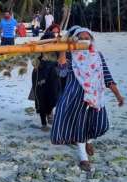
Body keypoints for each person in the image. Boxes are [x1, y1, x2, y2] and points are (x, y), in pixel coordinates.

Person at [51, 28, 124, 171]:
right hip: (76, 96)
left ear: (91, 40)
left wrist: (118, 95)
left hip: (96, 95)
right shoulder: (71, 55)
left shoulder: (98, 55)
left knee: (99, 124)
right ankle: (83, 157)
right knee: (80, 126)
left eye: (87, 37)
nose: (84, 39)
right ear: (75, 39)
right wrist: (64, 47)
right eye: (81, 37)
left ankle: (89, 140)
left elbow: (107, 76)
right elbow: (62, 70)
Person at [31, 30, 61, 132]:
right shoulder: (39, 48)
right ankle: (43, 122)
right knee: (41, 99)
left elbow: (61, 61)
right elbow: (34, 62)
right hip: (39, 76)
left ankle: (50, 113)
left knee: (52, 96)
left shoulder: (57, 49)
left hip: (52, 77)